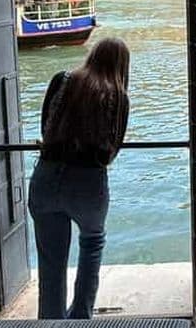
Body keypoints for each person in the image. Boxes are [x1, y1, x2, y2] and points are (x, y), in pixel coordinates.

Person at [28, 37, 131, 319]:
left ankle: (50, 321)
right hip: (88, 181)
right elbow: (112, 149)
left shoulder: (62, 79)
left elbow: (45, 127)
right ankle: (81, 317)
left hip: (47, 175)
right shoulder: (119, 97)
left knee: (51, 261)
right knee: (92, 242)